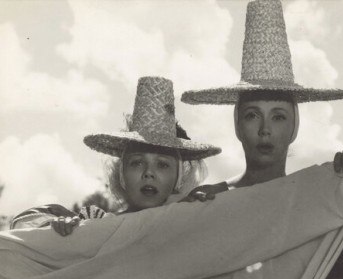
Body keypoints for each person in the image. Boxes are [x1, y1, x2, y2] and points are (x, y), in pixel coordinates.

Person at [181, 0, 343, 279]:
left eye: (278, 117)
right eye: (252, 116)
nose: (264, 130)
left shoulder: (314, 204)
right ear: (237, 125)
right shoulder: (212, 199)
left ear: (295, 127)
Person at [9, 76, 221, 235]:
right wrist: (55, 225)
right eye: (137, 163)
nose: (148, 173)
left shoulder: (188, 221)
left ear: (178, 178)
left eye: (163, 165)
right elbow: (21, 224)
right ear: (121, 174)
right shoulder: (97, 222)